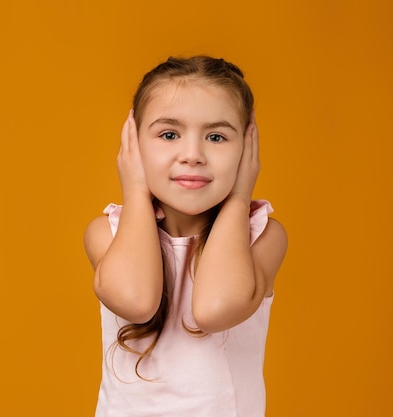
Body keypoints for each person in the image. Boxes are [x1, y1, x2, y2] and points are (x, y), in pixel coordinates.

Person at [83, 55, 288, 417]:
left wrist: (240, 197)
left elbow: (213, 310)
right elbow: (137, 300)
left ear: (246, 148)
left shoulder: (262, 236)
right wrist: (134, 191)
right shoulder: (108, 234)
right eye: (169, 134)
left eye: (216, 136)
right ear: (133, 143)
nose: (193, 155)